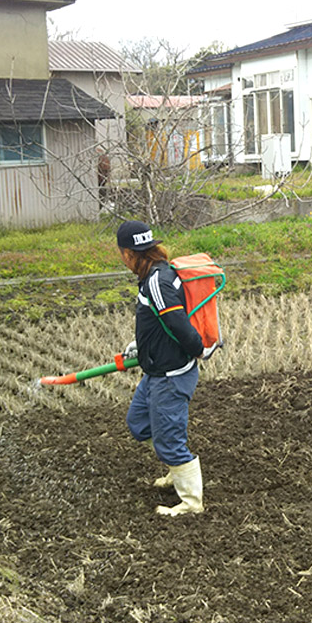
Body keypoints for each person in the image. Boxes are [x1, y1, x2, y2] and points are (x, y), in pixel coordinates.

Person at [117, 220, 210, 516]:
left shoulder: (157, 281)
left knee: (169, 439)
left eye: (122, 253)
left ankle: (191, 502)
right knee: (139, 423)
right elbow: (156, 322)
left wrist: (199, 349)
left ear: (130, 254)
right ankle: (177, 467)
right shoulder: (151, 276)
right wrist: (139, 345)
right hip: (155, 371)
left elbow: (177, 322)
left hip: (170, 376)